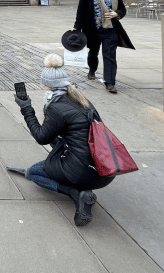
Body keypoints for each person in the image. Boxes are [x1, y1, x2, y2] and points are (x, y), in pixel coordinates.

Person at [8, 54, 115, 227]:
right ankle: (77, 186)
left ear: (46, 84)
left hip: (82, 172)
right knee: (59, 137)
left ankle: (75, 193)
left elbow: (41, 137)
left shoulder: (57, 107)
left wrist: (26, 108)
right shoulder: (81, 99)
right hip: (105, 169)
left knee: (34, 172)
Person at [73, 0, 134, 93]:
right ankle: (92, 70)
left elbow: (122, 9)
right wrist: (76, 28)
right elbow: (81, 13)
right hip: (92, 30)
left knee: (110, 56)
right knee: (93, 53)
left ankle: (110, 82)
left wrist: (117, 14)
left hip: (110, 30)